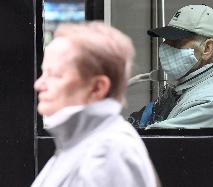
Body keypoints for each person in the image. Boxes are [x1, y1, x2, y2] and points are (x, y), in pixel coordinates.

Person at [32, 21, 159, 187]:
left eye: (55, 75)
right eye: (44, 73)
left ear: (97, 88)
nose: (39, 85)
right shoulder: (83, 141)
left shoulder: (108, 153)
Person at [130, 4, 213, 129]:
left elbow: (152, 142)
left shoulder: (209, 104)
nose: (166, 47)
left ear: (207, 48)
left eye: (177, 41)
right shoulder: (189, 84)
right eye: (167, 39)